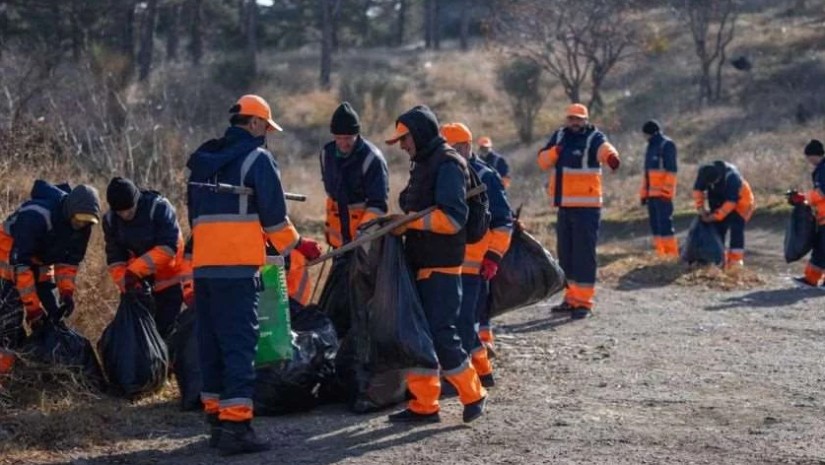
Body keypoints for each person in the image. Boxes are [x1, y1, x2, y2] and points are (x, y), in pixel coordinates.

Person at [186, 94, 322, 455]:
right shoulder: (257, 159)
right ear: (256, 124)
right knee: (240, 345)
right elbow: (275, 218)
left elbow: (196, 219)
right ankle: (237, 428)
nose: (268, 136)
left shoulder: (202, 163)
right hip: (236, 269)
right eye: (267, 129)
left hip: (203, 268)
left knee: (211, 344)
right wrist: (299, 247)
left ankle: (216, 422)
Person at [385, 105, 487, 424]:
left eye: (405, 138)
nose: (402, 145)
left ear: (420, 134)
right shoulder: (426, 162)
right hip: (421, 263)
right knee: (418, 337)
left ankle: (473, 394)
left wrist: (409, 224)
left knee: (442, 336)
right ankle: (424, 404)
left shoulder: (447, 163)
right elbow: (413, 202)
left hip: (441, 267)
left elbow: (453, 219)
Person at [441, 122, 513, 388]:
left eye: (451, 147)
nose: (446, 152)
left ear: (466, 146)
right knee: (459, 322)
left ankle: (460, 381)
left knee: (462, 322)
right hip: (447, 262)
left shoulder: (486, 176)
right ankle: (482, 371)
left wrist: (493, 256)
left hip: (474, 266)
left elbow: (504, 221)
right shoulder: (443, 172)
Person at [537, 103, 620, 320]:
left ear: (585, 120)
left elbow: (605, 150)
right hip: (564, 206)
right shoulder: (560, 136)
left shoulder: (594, 137)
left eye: (579, 119)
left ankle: (583, 302)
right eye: (572, 118)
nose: (575, 122)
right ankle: (570, 298)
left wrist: (612, 159)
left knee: (584, 255)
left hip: (588, 208)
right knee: (566, 254)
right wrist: (555, 151)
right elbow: (543, 161)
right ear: (567, 119)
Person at [0, 181, 100, 347]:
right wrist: (34, 310)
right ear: (70, 211)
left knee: (54, 317)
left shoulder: (83, 227)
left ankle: (38, 361)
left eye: (87, 221)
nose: (81, 224)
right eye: (79, 219)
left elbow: (68, 263)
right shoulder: (37, 215)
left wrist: (66, 292)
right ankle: (7, 368)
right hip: (7, 263)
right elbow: (21, 267)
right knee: (8, 327)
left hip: (38, 263)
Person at [102, 177, 191, 338]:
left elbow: (168, 248)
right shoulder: (110, 221)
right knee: (139, 338)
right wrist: (127, 284)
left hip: (169, 282)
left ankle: (169, 362)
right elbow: (115, 259)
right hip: (138, 289)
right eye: (120, 212)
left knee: (166, 334)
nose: (125, 215)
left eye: (129, 210)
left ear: (137, 200)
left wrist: (135, 272)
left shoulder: (159, 208)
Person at [320, 102, 389, 250]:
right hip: (338, 240)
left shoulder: (372, 159)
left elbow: (378, 205)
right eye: (339, 138)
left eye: (348, 138)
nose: (343, 143)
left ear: (357, 135)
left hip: (364, 242)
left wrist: (363, 233)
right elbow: (331, 193)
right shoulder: (327, 154)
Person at [693, 161, 755, 269]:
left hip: (741, 203)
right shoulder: (704, 173)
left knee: (736, 228)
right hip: (719, 200)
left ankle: (735, 263)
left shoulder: (732, 177)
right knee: (718, 229)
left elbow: (731, 203)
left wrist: (714, 216)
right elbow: (698, 191)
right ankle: (719, 259)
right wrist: (700, 208)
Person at [639, 120, 679, 258]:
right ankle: (662, 255)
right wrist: (644, 194)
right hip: (652, 196)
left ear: (648, 133)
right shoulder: (650, 147)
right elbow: (647, 174)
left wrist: (666, 193)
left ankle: (672, 256)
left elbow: (672, 171)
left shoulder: (666, 145)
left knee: (665, 226)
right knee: (656, 227)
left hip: (663, 195)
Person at [788, 139, 825, 286]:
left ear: (814, 155)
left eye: (808, 157)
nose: (808, 160)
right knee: (820, 248)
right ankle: (811, 279)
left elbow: (822, 193)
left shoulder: (823, 170)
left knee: (822, 248)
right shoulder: (821, 169)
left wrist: (803, 198)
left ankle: (811, 279)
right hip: (823, 217)